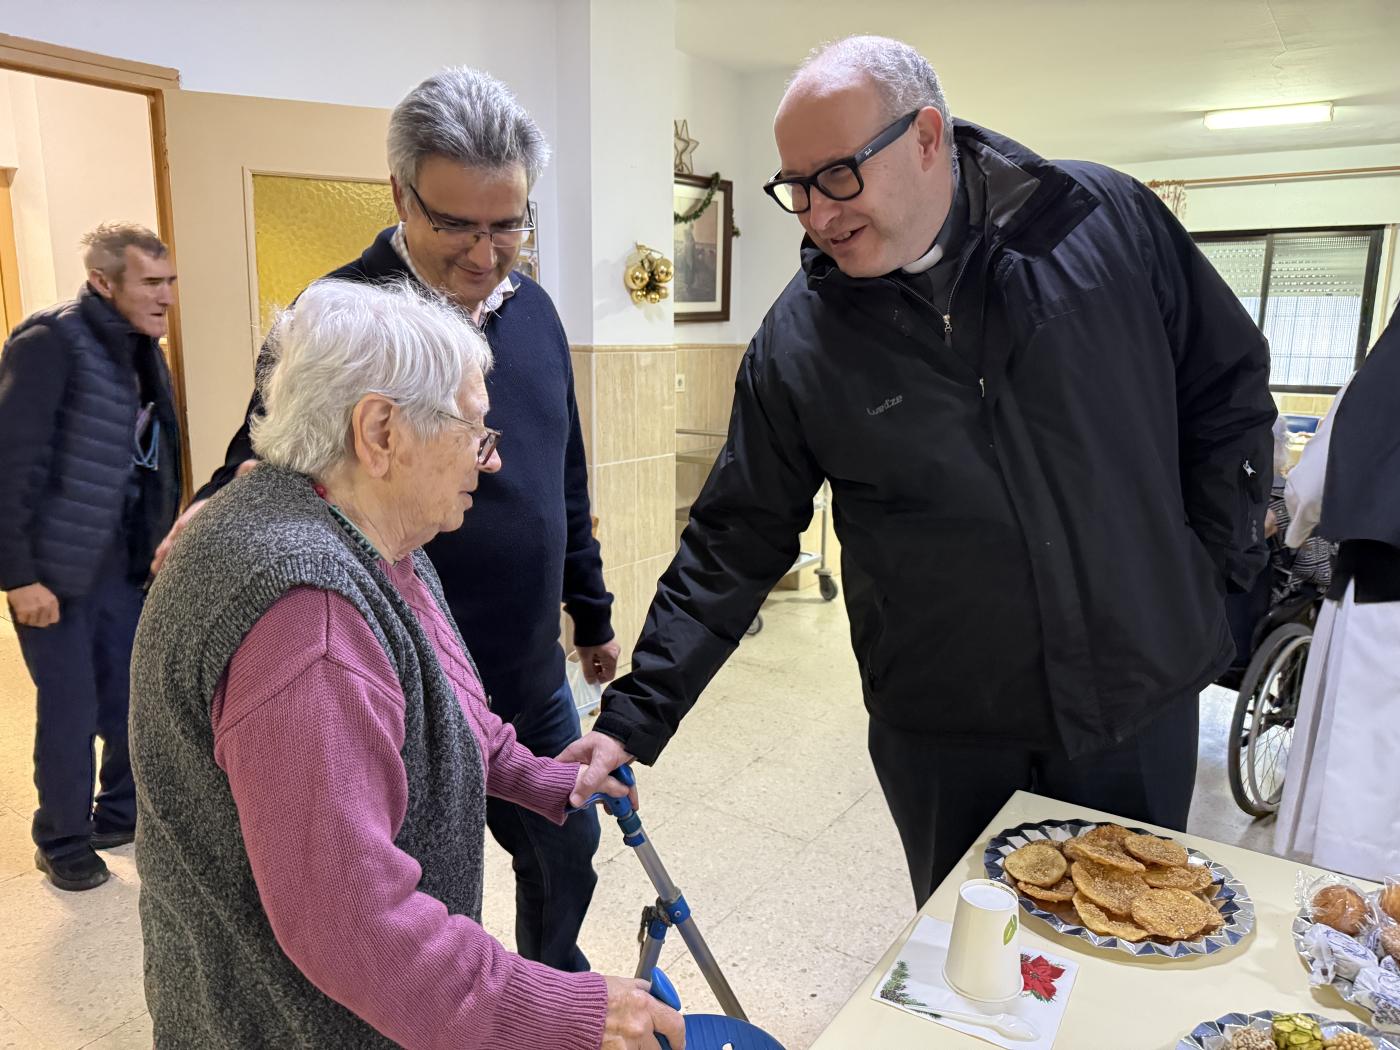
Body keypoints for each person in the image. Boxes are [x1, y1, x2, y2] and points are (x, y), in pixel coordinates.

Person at [565, 35, 1276, 906]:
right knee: (968, 979)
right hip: (947, 733)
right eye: (795, 187)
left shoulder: (1102, 225)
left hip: (1135, 702)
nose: (816, 215)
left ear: (927, 137)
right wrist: (638, 714)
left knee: (1135, 944)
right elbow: (735, 537)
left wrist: (1213, 584)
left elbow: (1228, 392)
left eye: (837, 176)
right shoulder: (800, 342)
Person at [129, 279, 683, 1050]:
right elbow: (356, 925)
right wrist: (572, 1009)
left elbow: (446, 708)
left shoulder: (373, 533)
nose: (491, 463)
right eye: (476, 433)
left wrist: (549, 778)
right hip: (286, 1022)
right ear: (381, 430)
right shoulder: (306, 614)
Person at [153, 67, 615, 969]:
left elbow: (565, 475)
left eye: (507, 224)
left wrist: (588, 613)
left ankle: (549, 980)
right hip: (392, 671)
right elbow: (264, 459)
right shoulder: (338, 317)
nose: (486, 255)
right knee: (410, 890)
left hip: (523, 662)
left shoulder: (538, 314)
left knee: (564, 850)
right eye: (456, 225)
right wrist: (207, 522)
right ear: (401, 193)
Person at [0, 223, 181, 891]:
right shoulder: (50, 342)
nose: (166, 296)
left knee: (129, 698)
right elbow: (10, 463)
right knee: (70, 707)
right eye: (151, 283)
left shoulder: (138, 346)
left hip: (120, 561)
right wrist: (19, 576)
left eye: (170, 282)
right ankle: (62, 839)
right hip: (52, 568)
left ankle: (118, 813)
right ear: (104, 282)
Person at [1274, 308, 1400, 880]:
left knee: (1361, 795)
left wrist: (1293, 532)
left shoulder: (1379, 374)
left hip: (1379, 596)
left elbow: (1307, 490)